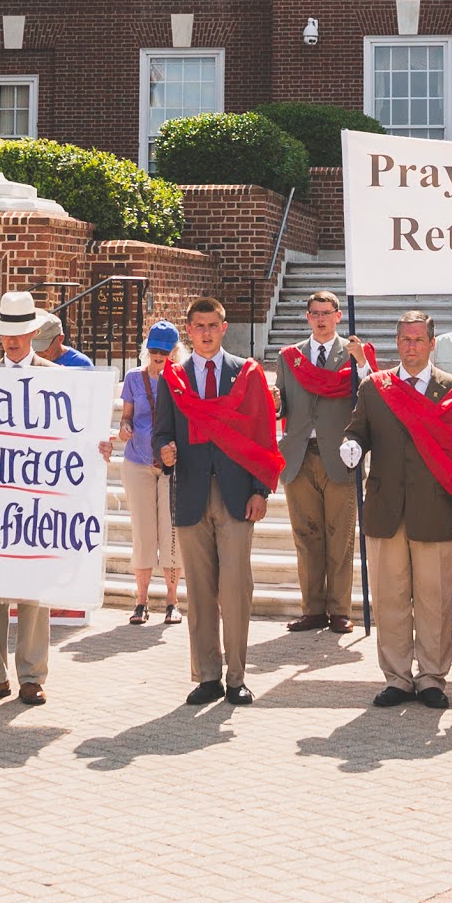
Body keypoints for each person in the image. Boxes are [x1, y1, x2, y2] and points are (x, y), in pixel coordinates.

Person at [0, 289, 101, 708]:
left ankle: (32, 676)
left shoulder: (56, 379)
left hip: (35, 504)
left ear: (34, 332)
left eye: (20, 332)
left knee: (33, 595)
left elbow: (74, 439)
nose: (13, 340)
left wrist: (97, 448)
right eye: (6, 332)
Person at [356, 312, 452, 707]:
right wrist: (351, 445)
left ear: (433, 343)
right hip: (386, 510)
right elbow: (358, 430)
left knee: (435, 599)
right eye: (405, 340)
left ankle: (432, 677)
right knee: (390, 598)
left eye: (419, 340)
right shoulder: (374, 388)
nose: (411, 347)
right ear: (396, 343)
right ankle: (398, 677)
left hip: (437, 511)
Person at [151, 296, 282, 705]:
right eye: (199, 326)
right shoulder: (173, 378)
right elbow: (160, 433)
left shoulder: (246, 373)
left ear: (224, 327)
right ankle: (207, 675)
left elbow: (263, 434)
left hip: (237, 494)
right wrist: (164, 452)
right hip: (190, 492)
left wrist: (260, 490)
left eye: (213, 325)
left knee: (236, 587)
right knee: (202, 590)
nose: (206, 333)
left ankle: (236, 677)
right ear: (188, 332)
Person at [271, 292, 374, 637]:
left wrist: (362, 363)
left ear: (338, 316)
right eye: (314, 313)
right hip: (300, 455)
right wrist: (273, 403)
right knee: (306, 537)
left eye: (326, 313)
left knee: (341, 538)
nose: (320, 319)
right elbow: (281, 408)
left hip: (340, 457)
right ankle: (312, 610)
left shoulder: (355, 353)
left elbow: (370, 395)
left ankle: (340, 610)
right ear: (307, 317)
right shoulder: (290, 358)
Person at [125, 313, 186, 627]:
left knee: (171, 533)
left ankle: (173, 601)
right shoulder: (134, 378)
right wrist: (123, 428)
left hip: (173, 465)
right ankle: (141, 600)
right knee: (143, 534)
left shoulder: (182, 378)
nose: (159, 358)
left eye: (164, 353)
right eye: (154, 352)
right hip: (137, 460)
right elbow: (127, 416)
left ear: (174, 352)